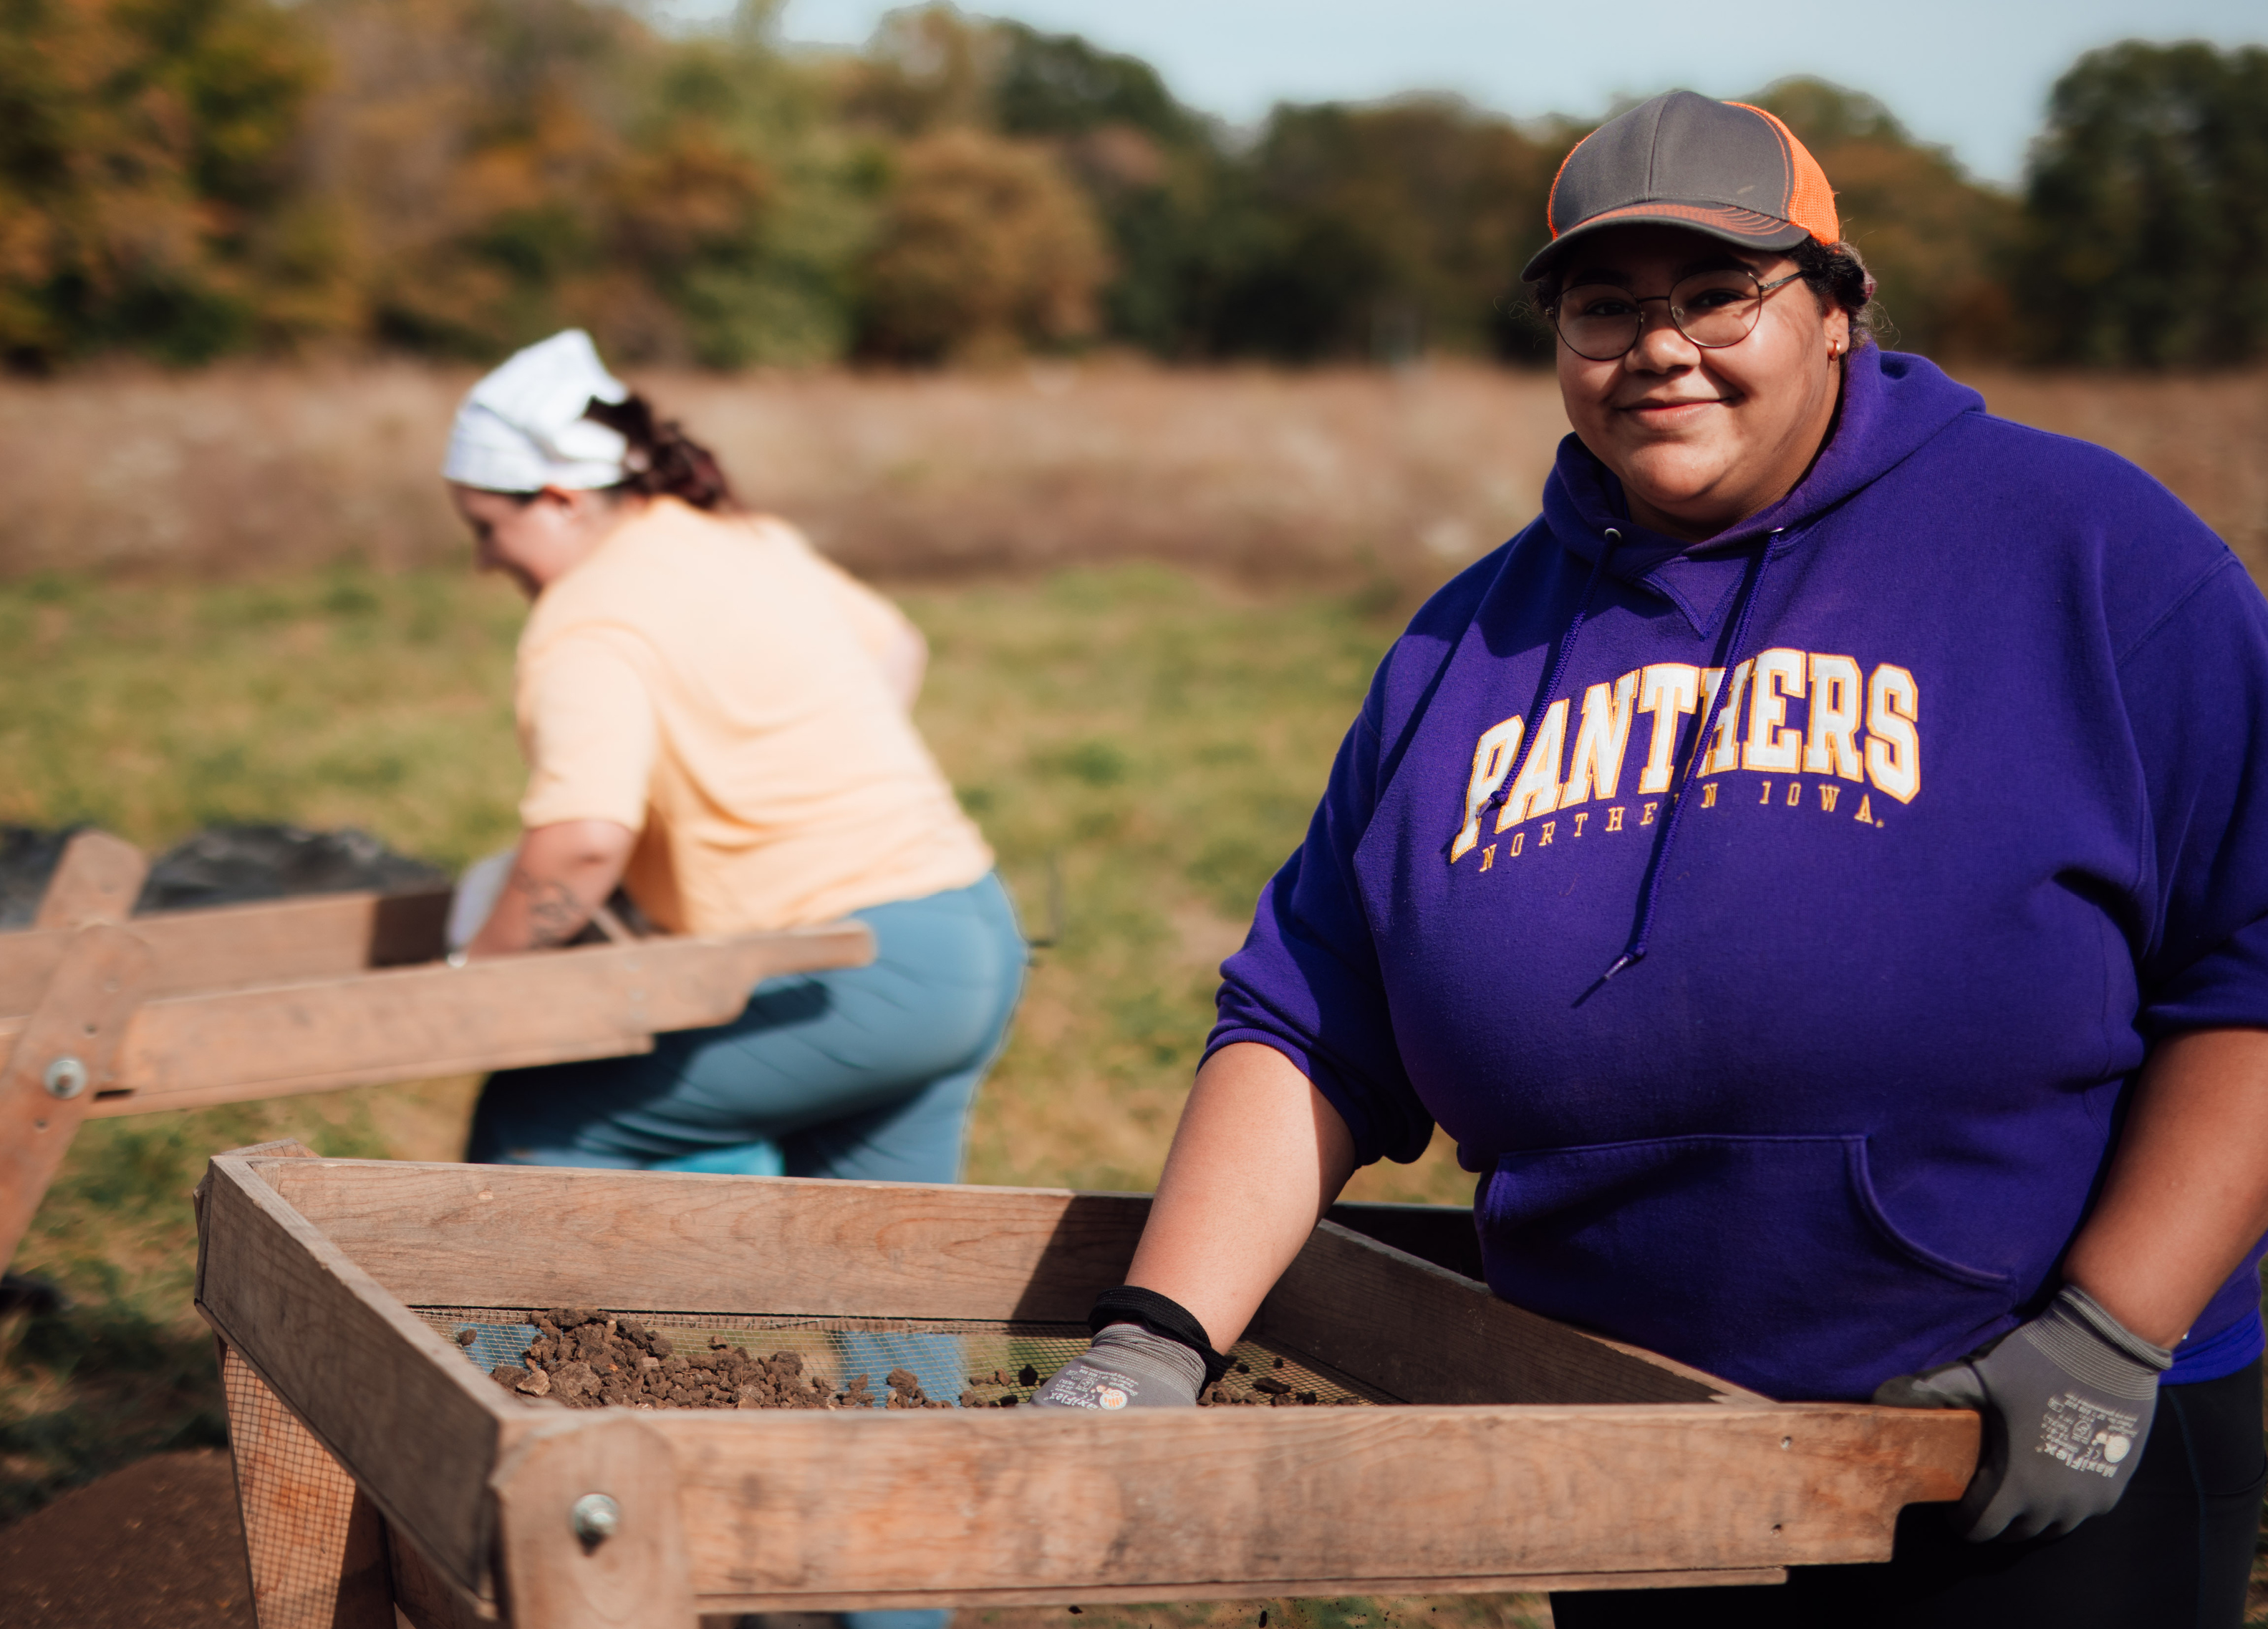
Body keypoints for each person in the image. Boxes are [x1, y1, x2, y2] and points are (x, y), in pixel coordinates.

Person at [1033, 92, 2268, 1628]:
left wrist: (2107, 1333)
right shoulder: (1466, 642)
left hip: (2024, 1440)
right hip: (1634, 1452)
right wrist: (1154, 1340)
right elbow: (1308, 1023)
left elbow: (2252, 961)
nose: (1659, 346)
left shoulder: (2086, 552)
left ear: (1838, 307)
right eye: (1606, 305)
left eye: (1717, 294)